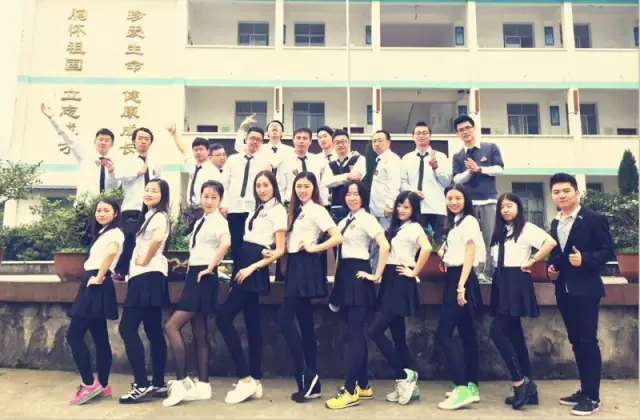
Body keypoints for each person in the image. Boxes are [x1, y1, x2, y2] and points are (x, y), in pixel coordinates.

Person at [547, 173, 615, 416]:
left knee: (587, 342)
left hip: (586, 290)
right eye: (556, 192)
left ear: (576, 193)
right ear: (551, 196)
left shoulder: (593, 219)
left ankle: (593, 397)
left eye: (566, 191)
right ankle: (585, 390)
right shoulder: (555, 223)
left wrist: (585, 259)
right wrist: (552, 269)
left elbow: (608, 251)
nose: (561, 196)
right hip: (564, 291)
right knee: (576, 341)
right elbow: (557, 255)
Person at [217, 171, 287, 404]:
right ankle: (255, 380)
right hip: (244, 261)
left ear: (274, 186)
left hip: (252, 267)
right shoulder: (258, 208)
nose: (262, 189)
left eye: (266, 185)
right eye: (258, 185)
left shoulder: (277, 210)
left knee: (223, 319)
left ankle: (245, 378)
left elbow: (279, 250)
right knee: (252, 324)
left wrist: (252, 267)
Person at [163, 180, 230, 407]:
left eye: (214, 197)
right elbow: (202, 249)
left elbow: (225, 244)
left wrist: (210, 268)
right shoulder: (202, 220)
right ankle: (203, 385)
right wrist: (188, 264)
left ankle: (182, 382)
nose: (209, 201)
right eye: (206, 196)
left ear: (220, 199)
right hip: (196, 274)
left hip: (204, 277)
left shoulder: (219, 221)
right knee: (199, 331)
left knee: (171, 326)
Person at [325, 180, 390, 410]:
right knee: (355, 334)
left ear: (363, 197)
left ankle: (350, 390)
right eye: (348, 194)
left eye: (356, 194)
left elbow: (384, 245)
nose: (352, 198)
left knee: (355, 335)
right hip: (344, 278)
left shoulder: (367, 219)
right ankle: (363, 385)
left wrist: (376, 275)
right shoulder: (344, 221)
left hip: (358, 276)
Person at [279, 171, 343, 403]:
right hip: (294, 266)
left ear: (314, 188)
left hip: (305, 266)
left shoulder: (317, 209)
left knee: (284, 319)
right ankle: (312, 381)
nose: (302, 190)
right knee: (305, 325)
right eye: (299, 186)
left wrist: (314, 247)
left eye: (306, 186)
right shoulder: (296, 210)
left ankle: (306, 374)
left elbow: (337, 237)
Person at [488, 193, 557, 410]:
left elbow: (550, 242)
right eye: (502, 207)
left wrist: (533, 260)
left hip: (516, 281)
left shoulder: (526, 228)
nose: (505, 210)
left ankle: (520, 382)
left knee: (497, 331)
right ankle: (531, 390)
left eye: (509, 205)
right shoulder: (501, 231)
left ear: (518, 207)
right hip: (501, 281)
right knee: (515, 336)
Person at [369, 190, 431, 406]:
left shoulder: (414, 227)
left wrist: (414, 272)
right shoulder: (396, 227)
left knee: (375, 331)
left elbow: (427, 248)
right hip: (389, 278)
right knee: (398, 337)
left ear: (414, 209)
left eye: (407, 206)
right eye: (399, 205)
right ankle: (407, 385)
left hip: (400, 279)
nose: (402, 210)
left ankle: (404, 375)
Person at [66, 198, 124, 405]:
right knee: (99, 336)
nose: (101, 214)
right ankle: (103, 385)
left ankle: (89, 384)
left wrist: (98, 277)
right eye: (98, 210)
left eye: (106, 210)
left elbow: (111, 252)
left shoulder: (115, 233)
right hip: (94, 282)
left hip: (96, 282)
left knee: (74, 334)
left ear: (115, 213)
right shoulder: (104, 233)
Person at [118, 178, 171, 404]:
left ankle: (141, 384)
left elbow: (157, 239)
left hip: (147, 276)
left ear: (163, 195)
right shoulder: (149, 215)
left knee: (127, 328)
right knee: (153, 330)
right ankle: (158, 383)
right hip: (150, 276)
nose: (149, 193)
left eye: (155, 191)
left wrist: (146, 258)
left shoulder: (159, 216)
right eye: (147, 189)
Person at [436, 184, 484, 410]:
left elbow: (470, 252)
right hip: (455, 277)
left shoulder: (469, 221)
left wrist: (461, 286)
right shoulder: (455, 222)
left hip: (461, 278)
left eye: (458, 198)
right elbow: (453, 250)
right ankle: (472, 386)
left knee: (444, 333)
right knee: (467, 333)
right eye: (450, 198)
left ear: (466, 199)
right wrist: (443, 251)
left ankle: (462, 387)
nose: (453, 202)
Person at [451, 116, 504, 283]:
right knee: (470, 239)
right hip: (469, 205)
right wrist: (469, 171)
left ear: (474, 128)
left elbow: (500, 169)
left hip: (488, 201)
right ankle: (472, 273)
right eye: (461, 130)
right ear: (458, 134)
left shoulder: (490, 147)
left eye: (468, 128)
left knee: (489, 239)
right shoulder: (458, 156)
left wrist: (479, 168)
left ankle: (488, 274)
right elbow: (456, 179)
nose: (465, 132)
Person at [111, 127, 163, 280]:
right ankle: (121, 271)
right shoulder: (127, 160)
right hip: (132, 206)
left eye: (147, 139)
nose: (143, 141)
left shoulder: (156, 162)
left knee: (146, 239)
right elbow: (118, 176)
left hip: (151, 208)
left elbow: (161, 183)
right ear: (134, 141)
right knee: (128, 237)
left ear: (151, 142)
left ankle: (141, 270)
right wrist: (138, 172)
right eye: (140, 138)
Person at [40, 103, 119, 201]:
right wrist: (52, 118)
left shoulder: (115, 163)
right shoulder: (85, 155)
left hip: (105, 207)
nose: (103, 142)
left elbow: (115, 188)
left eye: (107, 140)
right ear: (95, 141)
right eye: (100, 139)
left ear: (112, 144)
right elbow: (68, 137)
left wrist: (111, 172)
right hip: (85, 204)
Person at [220, 126, 270, 279]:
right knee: (235, 243)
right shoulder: (233, 159)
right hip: (234, 208)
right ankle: (235, 277)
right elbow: (224, 183)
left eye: (258, 140)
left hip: (254, 209)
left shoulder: (264, 162)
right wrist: (223, 204)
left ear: (262, 143)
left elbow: (267, 187)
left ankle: (249, 276)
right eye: (252, 138)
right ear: (246, 139)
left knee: (251, 244)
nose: (254, 142)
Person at [400, 122, 451, 244]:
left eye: (424, 133)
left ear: (430, 136)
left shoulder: (441, 157)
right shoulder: (407, 158)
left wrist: (436, 168)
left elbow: (447, 182)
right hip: (415, 208)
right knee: (416, 244)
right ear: (413, 137)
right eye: (418, 133)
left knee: (439, 243)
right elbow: (402, 182)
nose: (421, 136)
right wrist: (413, 191)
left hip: (436, 208)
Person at [167, 125, 221, 228]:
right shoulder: (192, 165)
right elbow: (184, 151)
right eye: (195, 150)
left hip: (204, 210)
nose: (198, 152)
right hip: (189, 210)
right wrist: (174, 134)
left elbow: (218, 193)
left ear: (208, 151)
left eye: (201, 149)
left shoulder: (213, 171)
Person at [369, 130, 402, 272]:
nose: (377, 144)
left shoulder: (392, 159)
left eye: (380, 140)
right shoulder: (379, 160)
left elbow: (394, 184)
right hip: (376, 210)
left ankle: (381, 273)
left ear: (388, 142)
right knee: (376, 243)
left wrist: (390, 205)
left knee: (385, 243)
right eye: (374, 141)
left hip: (385, 211)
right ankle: (375, 272)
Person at [322, 129, 366, 222]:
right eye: (337, 142)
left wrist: (335, 180)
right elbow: (327, 182)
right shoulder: (330, 164)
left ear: (349, 142)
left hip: (354, 206)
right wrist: (347, 176)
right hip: (336, 207)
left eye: (343, 141)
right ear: (333, 145)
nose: (340, 145)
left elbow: (357, 178)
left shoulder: (359, 159)